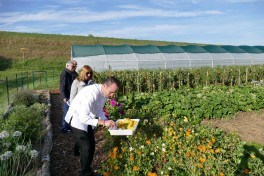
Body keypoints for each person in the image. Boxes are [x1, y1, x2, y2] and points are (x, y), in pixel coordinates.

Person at [65, 76, 120, 176]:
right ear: (104, 85)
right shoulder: (91, 94)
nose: (112, 95)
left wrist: (106, 120)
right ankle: (86, 173)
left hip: (88, 118)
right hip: (76, 120)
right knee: (87, 147)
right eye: (111, 92)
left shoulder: (103, 93)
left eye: (114, 93)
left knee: (92, 145)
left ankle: (77, 148)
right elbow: (83, 118)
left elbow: (98, 109)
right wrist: (103, 123)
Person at [59, 60, 78, 133]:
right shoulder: (65, 74)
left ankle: (68, 126)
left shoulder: (73, 73)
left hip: (72, 96)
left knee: (71, 112)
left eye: (75, 66)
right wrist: (64, 97)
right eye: (73, 66)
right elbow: (62, 87)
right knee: (66, 112)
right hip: (67, 97)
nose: (74, 67)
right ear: (67, 66)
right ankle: (64, 128)